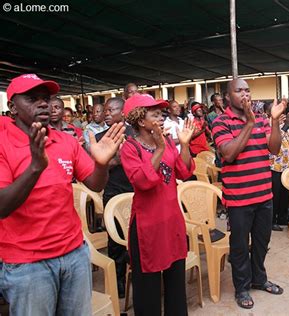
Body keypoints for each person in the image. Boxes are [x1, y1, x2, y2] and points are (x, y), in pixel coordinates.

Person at [0, 73, 125, 316]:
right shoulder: (3, 143)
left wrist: (101, 165)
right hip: (28, 264)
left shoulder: (65, 141)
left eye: (45, 98)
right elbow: (2, 206)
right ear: (12, 107)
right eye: (32, 98)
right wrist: (35, 167)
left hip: (74, 254)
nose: (43, 103)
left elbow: (95, 184)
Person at [211, 78, 286, 309]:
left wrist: (273, 121)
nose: (244, 94)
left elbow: (273, 148)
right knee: (240, 245)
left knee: (263, 241)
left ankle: (259, 279)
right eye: (238, 91)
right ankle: (242, 287)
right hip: (239, 197)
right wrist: (249, 124)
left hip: (264, 193)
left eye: (247, 90)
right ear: (228, 96)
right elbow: (229, 153)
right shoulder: (220, 122)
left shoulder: (261, 119)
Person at [120, 93, 195, 315]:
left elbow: (184, 170)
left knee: (175, 285)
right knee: (148, 290)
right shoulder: (130, 148)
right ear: (141, 121)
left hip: (172, 222)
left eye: (161, 114)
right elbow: (143, 182)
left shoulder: (170, 142)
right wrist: (160, 148)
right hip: (147, 228)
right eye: (155, 114)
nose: (161, 118)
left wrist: (184, 144)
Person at [95, 97, 135, 298]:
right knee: (116, 242)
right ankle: (119, 282)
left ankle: (138, 278)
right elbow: (97, 164)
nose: (107, 113)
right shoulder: (101, 137)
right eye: (106, 111)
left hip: (135, 192)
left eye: (112, 110)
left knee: (137, 239)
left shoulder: (134, 133)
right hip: (112, 193)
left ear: (123, 112)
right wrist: (115, 159)